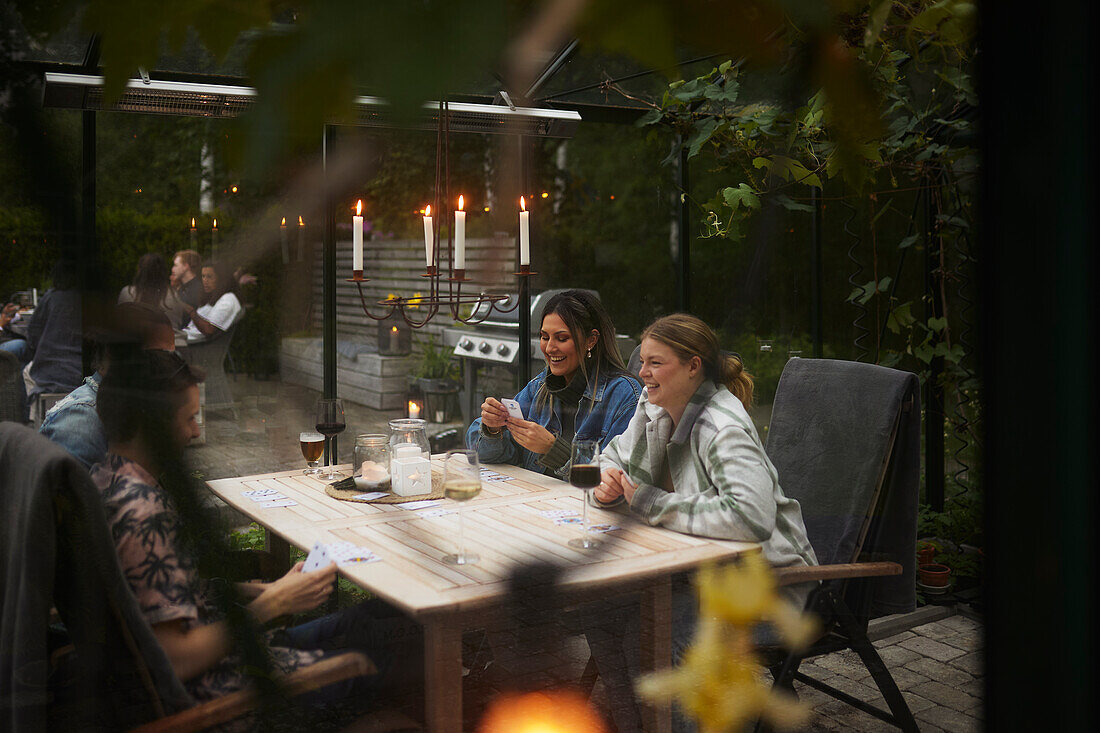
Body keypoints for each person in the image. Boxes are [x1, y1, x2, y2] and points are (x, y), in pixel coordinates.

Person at [90, 349, 414, 710]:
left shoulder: (105, 478)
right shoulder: (142, 513)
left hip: (233, 652)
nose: (196, 432)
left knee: (363, 619)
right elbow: (175, 660)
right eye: (188, 419)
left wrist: (267, 589)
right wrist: (277, 602)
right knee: (395, 663)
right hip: (228, 690)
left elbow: (168, 596)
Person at [586, 313, 818, 732]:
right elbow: (612, 458)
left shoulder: (721, 425)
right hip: (700, 574)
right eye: (643, 361)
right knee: (600, 611)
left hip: (767, 588)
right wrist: (605, 483)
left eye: (656, 363)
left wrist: (651, 502)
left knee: (656, 634)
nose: (642, 372)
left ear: (694, 366)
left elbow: (750, 517)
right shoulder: (651, 407)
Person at [464, 290, 641, 479]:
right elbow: (485, 455)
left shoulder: (624, 396)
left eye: (562, 338)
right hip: (538, 502)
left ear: (591, 340)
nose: (549, 348)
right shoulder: (540, 387)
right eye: (545, 337)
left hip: (585, 506)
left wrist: (553, 450)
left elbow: (617, 479)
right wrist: (492, 428)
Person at [39, 303, 176, 469]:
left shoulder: (132, 405)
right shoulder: (81, 422)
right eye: (160, 356)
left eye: (172, 356)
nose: (169, 367)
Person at [20, 261, 83, 419]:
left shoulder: (50, 297)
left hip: (50, 374)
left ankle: (36, 420)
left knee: (27, 371)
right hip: (81, 375)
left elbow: (33, 337)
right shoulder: (90, 300)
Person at [180, 260, 243, 344]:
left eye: (209, 277)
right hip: (184, 337)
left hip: (192, 345)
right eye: (203, 276)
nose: (205, 281)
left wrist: (191, 311)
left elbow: (209, 330)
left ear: (221, 278)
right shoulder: (213, 297)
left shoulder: (228, 300)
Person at [119, 253, 187, 328]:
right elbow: (178, 322)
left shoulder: (127, 293)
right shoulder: (174, 295)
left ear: (140, 270)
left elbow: (121, 322)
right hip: (173, 338)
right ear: (163, 272)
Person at [171, 249, 203, 327]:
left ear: (186, 266)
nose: (172, 269)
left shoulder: (197, 290)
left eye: (175, 265)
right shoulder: (184, 288)